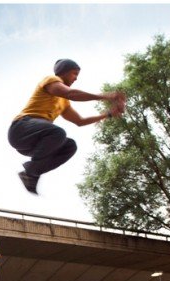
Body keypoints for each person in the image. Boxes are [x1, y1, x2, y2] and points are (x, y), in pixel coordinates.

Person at [8, 58, 125, 194]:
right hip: (21, 129)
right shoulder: (50, 80)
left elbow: (80, 121)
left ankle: (31, 173)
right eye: (74, 73)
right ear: (63, 71)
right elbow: (71, 93)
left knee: (70, 146)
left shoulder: (64, 102)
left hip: (33, 144)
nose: (76, 78)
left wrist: (108, 114)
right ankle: (31, 170)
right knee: (58, 133)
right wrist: (107, 96)